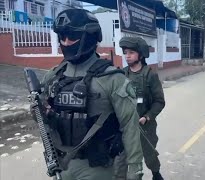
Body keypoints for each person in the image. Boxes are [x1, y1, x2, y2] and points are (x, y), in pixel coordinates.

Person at [39, 9, 143, 180]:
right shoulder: (53, 76)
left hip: (98, 167)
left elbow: (130, 126)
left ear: (90, 36)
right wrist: (40, 112)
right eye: (62, 37)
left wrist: (135, 167)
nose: (66, 42)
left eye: (72, 36)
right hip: (62, 165)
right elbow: (42, 115)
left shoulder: (112, 79)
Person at [113, 37, 165, 180]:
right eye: (125, 52)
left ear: (140, 55)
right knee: (120, 162)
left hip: (145, 127)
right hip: (125, 127)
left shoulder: (150, 75)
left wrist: (147, 117)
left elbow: (159, 102)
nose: (127, 56)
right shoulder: (121, 75)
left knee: (150, 156)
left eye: (131, 52)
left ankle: (156, 174)